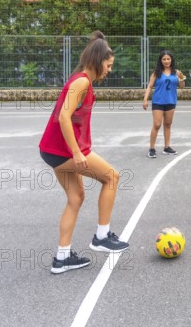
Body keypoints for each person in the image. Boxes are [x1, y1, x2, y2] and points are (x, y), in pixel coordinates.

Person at [39, 31, 129, 274]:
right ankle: (101, 236)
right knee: (112, 176)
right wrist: (78, 152)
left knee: (76, 198)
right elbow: (64, 117)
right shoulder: (81, 82)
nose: (109, 70)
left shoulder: (82, 81)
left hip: (52, 150)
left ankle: (62, 258)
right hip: (63, 151)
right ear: (98, 60)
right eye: (108, 65)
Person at [142, 50, 186, 158]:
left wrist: (181, 78)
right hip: (158, 102)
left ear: (171, 60)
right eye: (164, 59)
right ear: (160, 60)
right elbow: (149, 86)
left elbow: (182, 86)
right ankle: (152, 148)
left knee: (167, 124)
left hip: (171, 101)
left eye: (168, 59)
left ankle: (167, 147)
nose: (166, 61)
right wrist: (145, 99)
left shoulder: (176, 72)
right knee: (157, 124)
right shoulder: (156, 73)